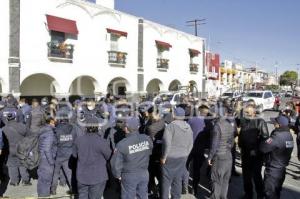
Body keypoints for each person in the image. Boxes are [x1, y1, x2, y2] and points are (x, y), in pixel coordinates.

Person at [111, 117, 153, 199]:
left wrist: (117, 175)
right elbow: (150, 151)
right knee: (143, 195)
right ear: (138, 127)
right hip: (144, 173)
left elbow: (115, 163)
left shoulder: (122, 144)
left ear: (126, 128)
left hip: (129, 175)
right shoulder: (146, 139)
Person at [73, 117, 111, 199]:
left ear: (86, 127)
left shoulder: (78, 140)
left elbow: (74, 155)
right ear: (97, 127)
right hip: (98, 177)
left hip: (82, 177)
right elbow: (108, 156)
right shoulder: (102, 142)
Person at [160, 107, 193, 199]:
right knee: (177, 181)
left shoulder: (170, 126)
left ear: (174, 115)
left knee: (166, 182)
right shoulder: (188, 127)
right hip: (182, 157)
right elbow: (191, 144)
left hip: (170, 158)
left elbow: (167, 143)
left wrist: (164, 157)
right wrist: (186, 154)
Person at [238, 104, 269, 199]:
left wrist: (260, 151)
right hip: (245, 153)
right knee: (246, 176)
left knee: (256, 177)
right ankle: (248, 194)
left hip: (256, 155)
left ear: (254, 112)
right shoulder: (243, 121)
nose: (246, 114)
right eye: (245, 112)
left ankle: (260, 194)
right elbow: (241, 134)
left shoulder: (261, 122)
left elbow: (265, 138)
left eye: (248, 112)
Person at [260, 115, 294, 199]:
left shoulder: (277, 137)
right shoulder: (289, 135)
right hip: (281, 170)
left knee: (269, 194)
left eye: (275, 123)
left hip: (273, 171)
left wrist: (265, 139)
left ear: (279, 125)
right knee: (276, 193)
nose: (274, 124)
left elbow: (263, 148)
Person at [207, 106, 236, 199]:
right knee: (225, 181)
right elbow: (232, 142)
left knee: (216, 180)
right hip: (228, 155)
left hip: (219, 156)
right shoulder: (230, 124)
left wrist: (210, 157)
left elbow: (214, 145)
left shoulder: (217, 125)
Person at [51, 112, 77, 195]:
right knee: (69, 173)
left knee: (55, 173)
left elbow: (54, 143)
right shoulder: (72, 128)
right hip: (69, 154)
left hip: (59, 154)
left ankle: (53, 190)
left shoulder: (57, 129)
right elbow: (75, 140)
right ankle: (73, 189)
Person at [2, 112, 30, 186]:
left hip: (9, 150)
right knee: (23, 164)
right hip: (21, 148)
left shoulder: (4, 129)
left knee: (12, 165)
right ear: (15, 118)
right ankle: (25, 180)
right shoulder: (22, 126)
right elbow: (29, 136)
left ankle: (14, 181)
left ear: (7, 119)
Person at [37, 115, 57, 197]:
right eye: (55, 121)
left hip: (42, 157)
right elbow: (47, 149)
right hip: (47, 160)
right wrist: (51, 161)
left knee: (42, 178)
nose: (56, 123)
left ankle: (41, 194)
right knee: (46, 179)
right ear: (51, 122)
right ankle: (44, 195)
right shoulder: (49, 133)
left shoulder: (43, 130)